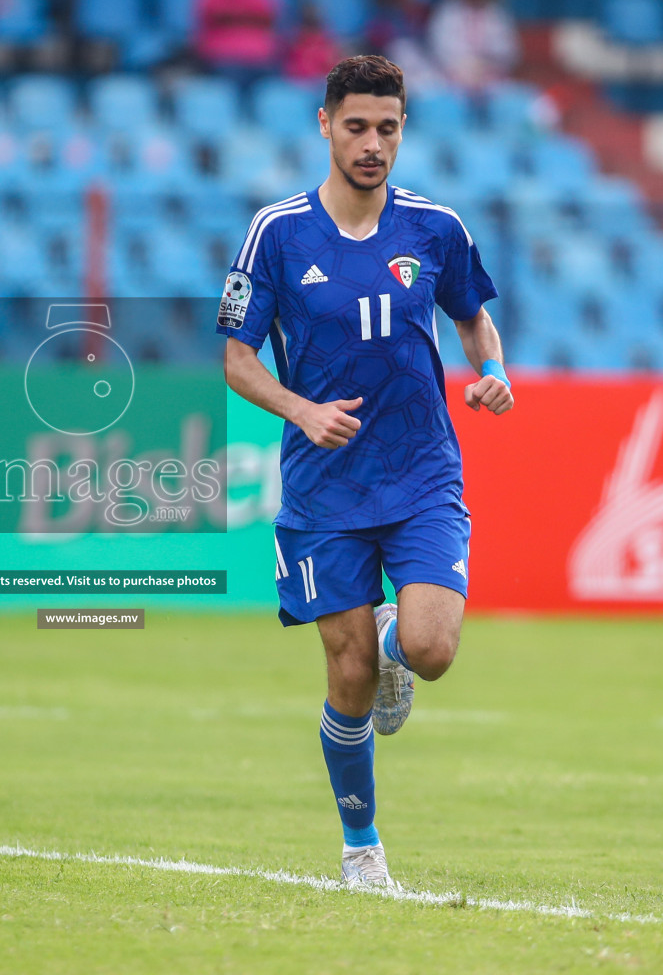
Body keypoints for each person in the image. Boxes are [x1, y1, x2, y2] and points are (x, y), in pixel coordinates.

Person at [215, 56, 513, 888]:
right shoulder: (276, 233)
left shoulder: (435, 229)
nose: (373, 143)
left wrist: (495, 372)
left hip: (421, 471)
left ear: (403, 130)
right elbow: (238, 361)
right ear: (325, 125)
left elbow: (475, 324)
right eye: (357, 126)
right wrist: (302, 410)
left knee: (432, 647)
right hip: (325, 485)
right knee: (346, 677)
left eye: (387, 127)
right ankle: (362, 849)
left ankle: (393, 641)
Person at [193, 0, 281, 77]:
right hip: (223, 59)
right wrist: (245, 17)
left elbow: (269, 20)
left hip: (261, 58)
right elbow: (209, 24)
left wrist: (234, 17)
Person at [426, 0, 518, 90]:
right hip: (453, 74)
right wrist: (464, 65)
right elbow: (438, 46)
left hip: (491, 75)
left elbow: (508, 49)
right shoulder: (447, 11)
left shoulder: (496, 13)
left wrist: (485, 63)